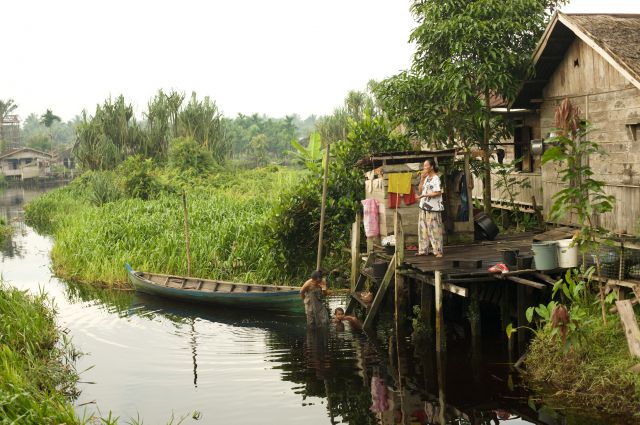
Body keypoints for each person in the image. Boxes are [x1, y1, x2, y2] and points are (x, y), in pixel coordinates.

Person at [416, 158, 444, 257]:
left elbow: (437, 192)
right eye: (424, 166)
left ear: (431, 167)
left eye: (426, 165)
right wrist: (422, 179)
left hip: (433, 208)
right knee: (422, 229)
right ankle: (423, 250)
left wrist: (424, 196)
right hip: (423, 207)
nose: (424, 168)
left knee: (434, 229)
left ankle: (438, 251)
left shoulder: (436, 178)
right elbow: (420, 191)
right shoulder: (426, 178)